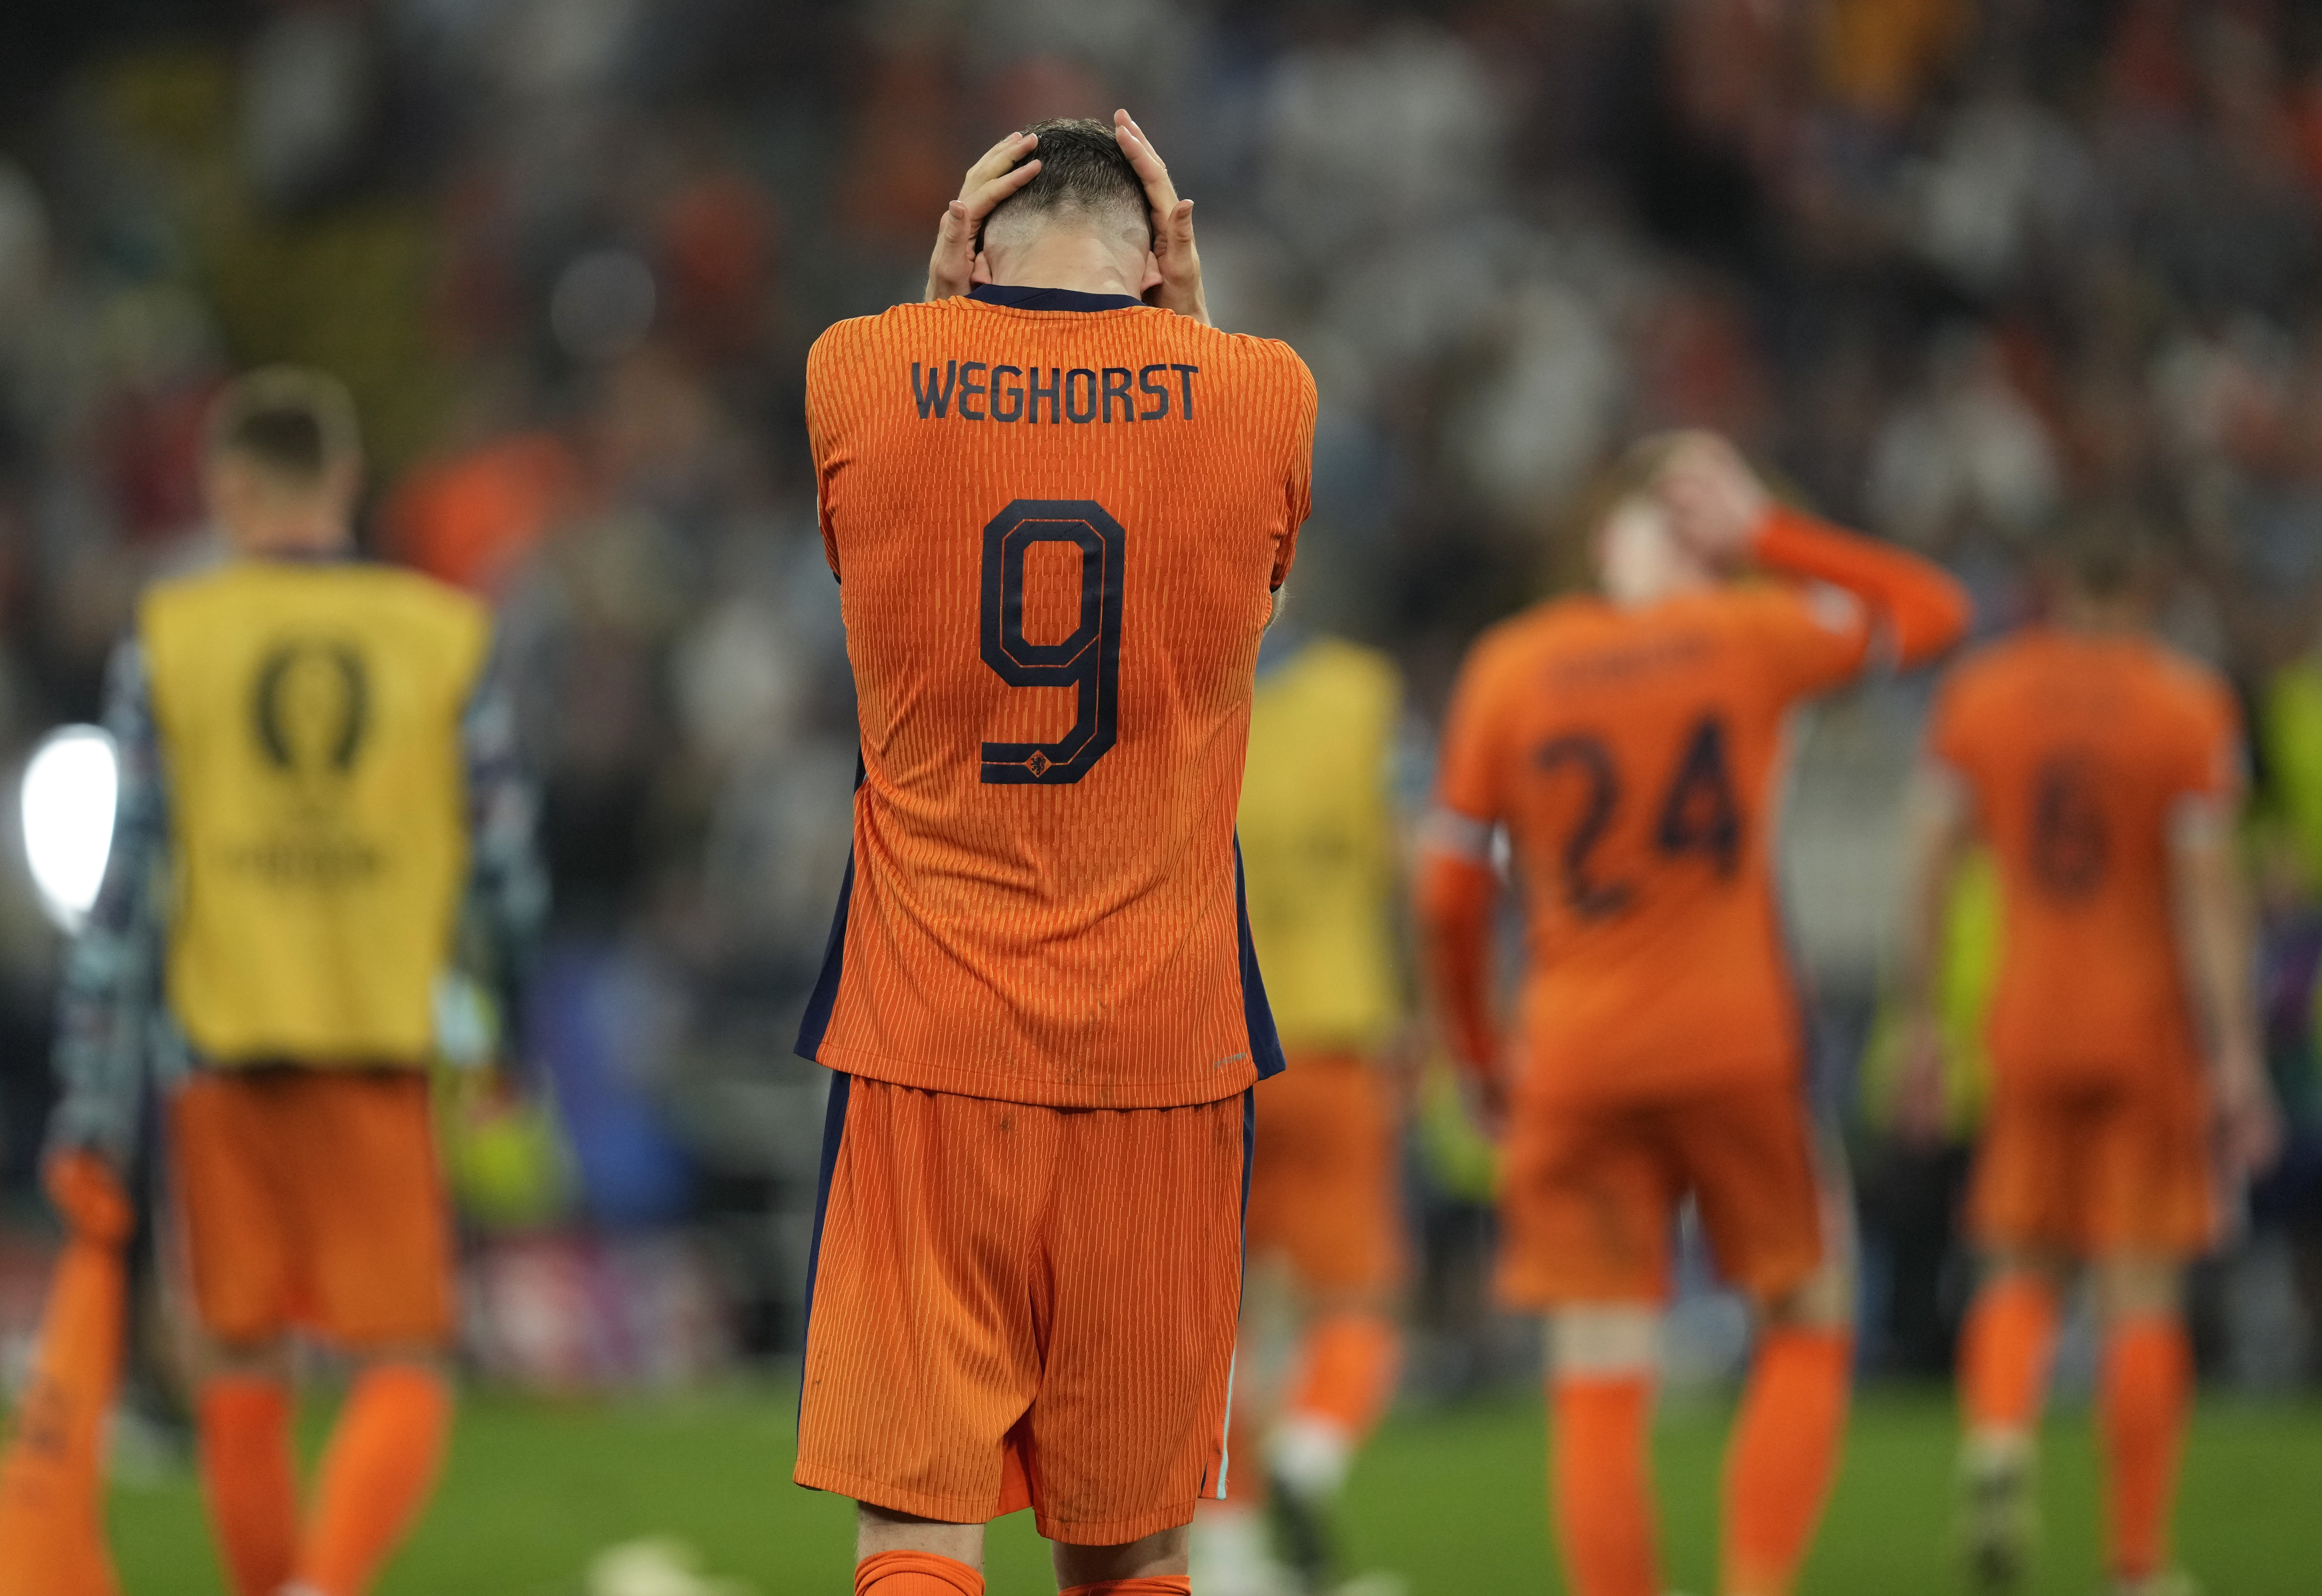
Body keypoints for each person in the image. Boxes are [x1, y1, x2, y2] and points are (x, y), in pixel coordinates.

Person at [794, 112, 1314, 1596]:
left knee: (915, 1523)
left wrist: (934, 304)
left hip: (927, 1039)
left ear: (974, 242)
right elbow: (1255, 590)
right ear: (1158, 254)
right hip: (1163, 1051)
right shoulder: (1263, 390)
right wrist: (1190, 331)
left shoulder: (857, 368)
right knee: (1134, 1540)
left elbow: (872, 526)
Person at [1417, 433, 1971, 1596]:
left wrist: (1475, 1051)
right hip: (1734, 1039)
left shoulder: (1512, 666)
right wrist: (1773, 535)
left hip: (1572, 1051)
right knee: (1808, 1314)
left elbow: (1448, 891)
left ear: (1599, 539)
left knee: (1596, 1369)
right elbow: (1933, 609)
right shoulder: (1746, 635)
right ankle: (1754, 1584)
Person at [41, 366, 544, 1596]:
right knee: (408, 1358)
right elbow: (504, 878)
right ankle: (324, 1584)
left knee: (237, 1361)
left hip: (221, 1052)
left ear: (228, 489)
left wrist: (90, 1100)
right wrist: (505, 1038)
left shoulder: (171, 637)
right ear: (347, 482)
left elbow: (124, 901)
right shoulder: (441, 637)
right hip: (376, 1044)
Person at [1895, 526, 2280, 1596]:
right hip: (2143, 1031)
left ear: (2049, 587)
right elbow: (2207, 893)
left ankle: (1997, 1440)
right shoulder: (2185, 704)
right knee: (2139, 1291)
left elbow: (1927, 863)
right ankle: (2136, 1563)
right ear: (2149, 585)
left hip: (2024, 1019)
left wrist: (1922, 1021)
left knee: (2018, 1262)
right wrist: (2235, 1053)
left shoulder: (1981, 695)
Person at [1193, 620, 1412, 1596]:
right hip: (1331, 1037)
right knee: (1357, 1301)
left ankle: (1228, 1556)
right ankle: (1310, 1450)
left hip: (1211, 1049)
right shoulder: (1363, 695)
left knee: (1214, 1328)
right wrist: (1426, 1014)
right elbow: (1411, 863)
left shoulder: (1178, 692)